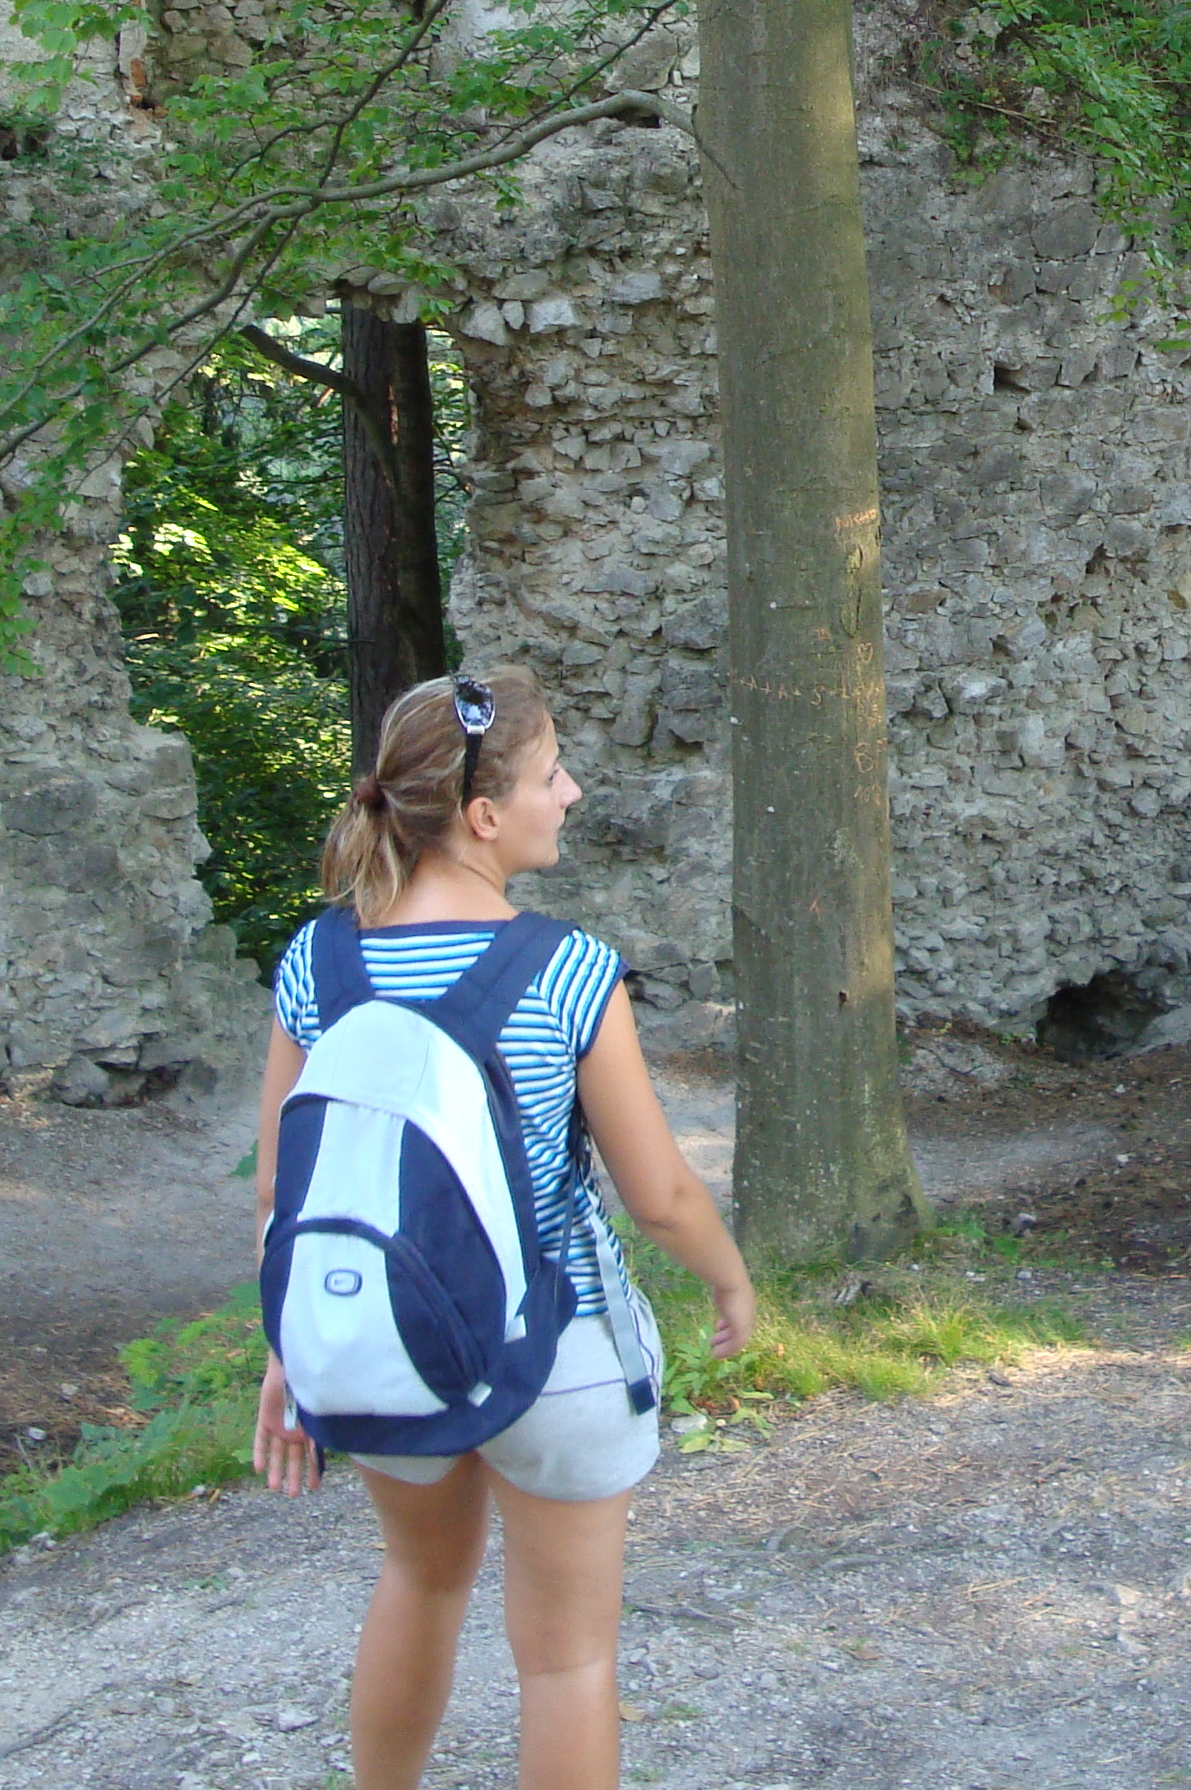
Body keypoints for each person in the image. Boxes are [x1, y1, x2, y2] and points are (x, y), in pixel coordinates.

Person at [252, 670, 756, 1790]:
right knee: (567, 1659)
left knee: (418, 1583)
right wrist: (729, 1280)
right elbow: (660, 1195)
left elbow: (284, 1195)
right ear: (484, 815)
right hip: (558, 1348)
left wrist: (292, 1349)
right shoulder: (565, 969)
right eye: (551, 775)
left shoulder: (317, 963)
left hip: (382, 1343)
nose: (569, 793)